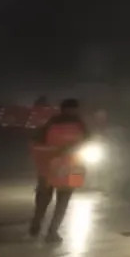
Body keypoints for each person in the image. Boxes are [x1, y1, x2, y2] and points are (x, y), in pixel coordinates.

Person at [29, 98, 90, 242]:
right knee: (62, 200)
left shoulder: (51, 123)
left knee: (45, 199)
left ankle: (37, 226)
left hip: (52, 167)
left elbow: (36, 144)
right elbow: (87, 142)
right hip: (72, 167)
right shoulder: (80, 125)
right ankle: (50, 231)